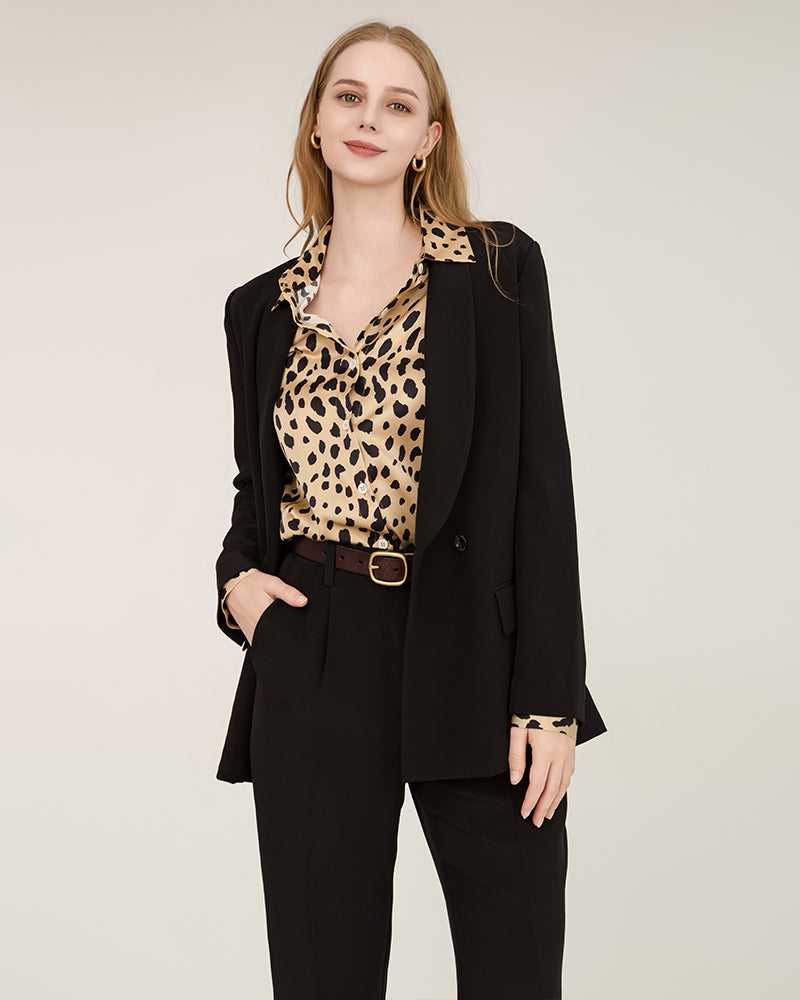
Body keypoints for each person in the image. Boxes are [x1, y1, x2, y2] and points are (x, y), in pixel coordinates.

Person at [213, 19, 608, 1000]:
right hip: (314, 645)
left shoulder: (497, 271)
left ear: (427, 138)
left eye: (398, 104)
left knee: (514, 971)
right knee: (323, 977)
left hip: (472, 651)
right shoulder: (259, 308)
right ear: (315, 121)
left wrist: (549, 698)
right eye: (348, 96)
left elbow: (541, 484)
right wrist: (236, 586)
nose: (369, 119)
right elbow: (257, 490)